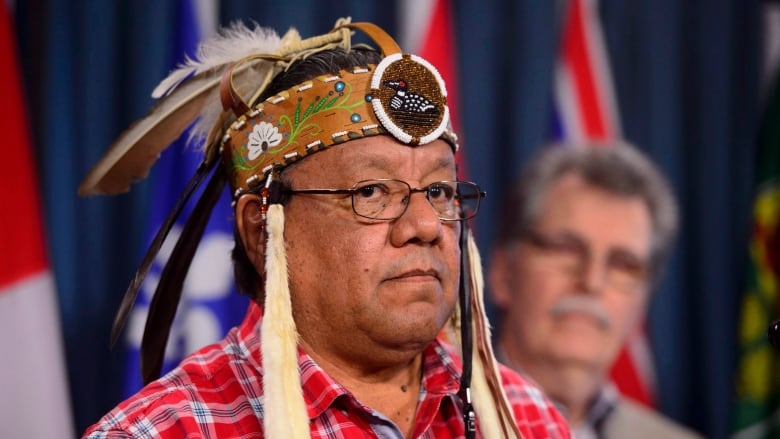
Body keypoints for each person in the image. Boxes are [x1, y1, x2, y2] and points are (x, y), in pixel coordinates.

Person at [80, 19, 570, 438]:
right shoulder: (166, 430)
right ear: (261, 229)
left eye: (439, 192)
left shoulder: (524, 419)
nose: (424, 225)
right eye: (371, 193)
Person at [488, 141, 702, 438]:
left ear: (643, 300)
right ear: (503, 273)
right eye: (567, 249)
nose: (592, 282)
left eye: (622, 264)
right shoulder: (430, 424)